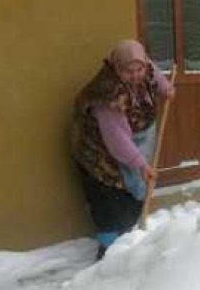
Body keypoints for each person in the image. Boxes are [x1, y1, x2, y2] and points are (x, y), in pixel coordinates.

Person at [71, 40, 174, 259]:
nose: (136, 75)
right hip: (98, 155)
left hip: (126, 145)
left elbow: (153, 74)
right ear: (117, 68)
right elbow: (117, 140)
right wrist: (141, 164)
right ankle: (108, 255)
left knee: (132, 197)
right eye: (129, 71)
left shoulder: (144, 69)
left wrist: (166, 88)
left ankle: (128, 246)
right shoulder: (108, 96)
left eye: (139, 69)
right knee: (111, 204)